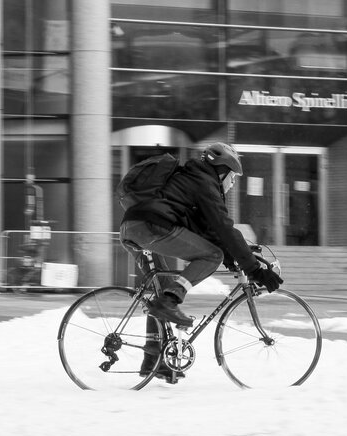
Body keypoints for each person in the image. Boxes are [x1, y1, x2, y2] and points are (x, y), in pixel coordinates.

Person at [119, 142, 283, 379]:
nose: (233, 183)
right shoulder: (205, 182)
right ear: (223, 170)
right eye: (233, 177)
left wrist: (233, 258)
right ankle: (171, 301)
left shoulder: (192, 180)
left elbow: (210, 232)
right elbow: (224, 228)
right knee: (210, 256)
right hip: (152, 228)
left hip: (131, 229)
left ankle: (153, 360)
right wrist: (255, 269)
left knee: (161, 289)